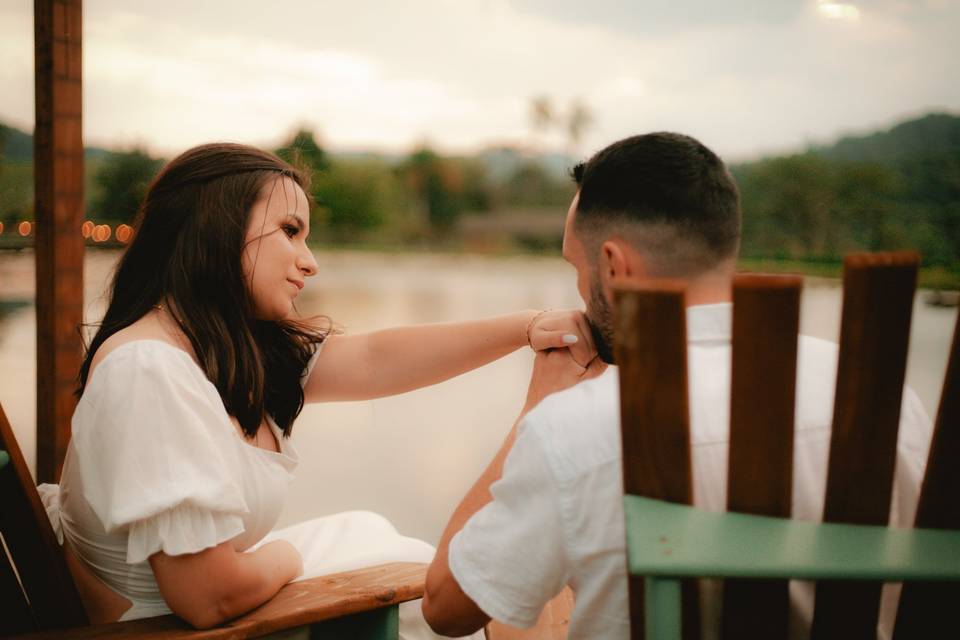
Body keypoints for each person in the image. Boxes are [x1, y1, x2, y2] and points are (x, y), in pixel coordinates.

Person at [37, 142, 596, 638]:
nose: (311, 262)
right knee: (455, 587)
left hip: (236, 616)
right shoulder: (148, 370)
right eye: (290, 232)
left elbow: (376, 360)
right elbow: (210, 597)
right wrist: (284, 556)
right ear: (218, 226)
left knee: (424, 554)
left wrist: (528, 327)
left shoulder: (218, 349)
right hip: (179, 630)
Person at [421, 132, 932, 639]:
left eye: (577, 266)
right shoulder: (888, 404)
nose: (578, 289)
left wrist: (537, 409)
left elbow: (445, 609)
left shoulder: (579, 426)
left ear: (614, 267)